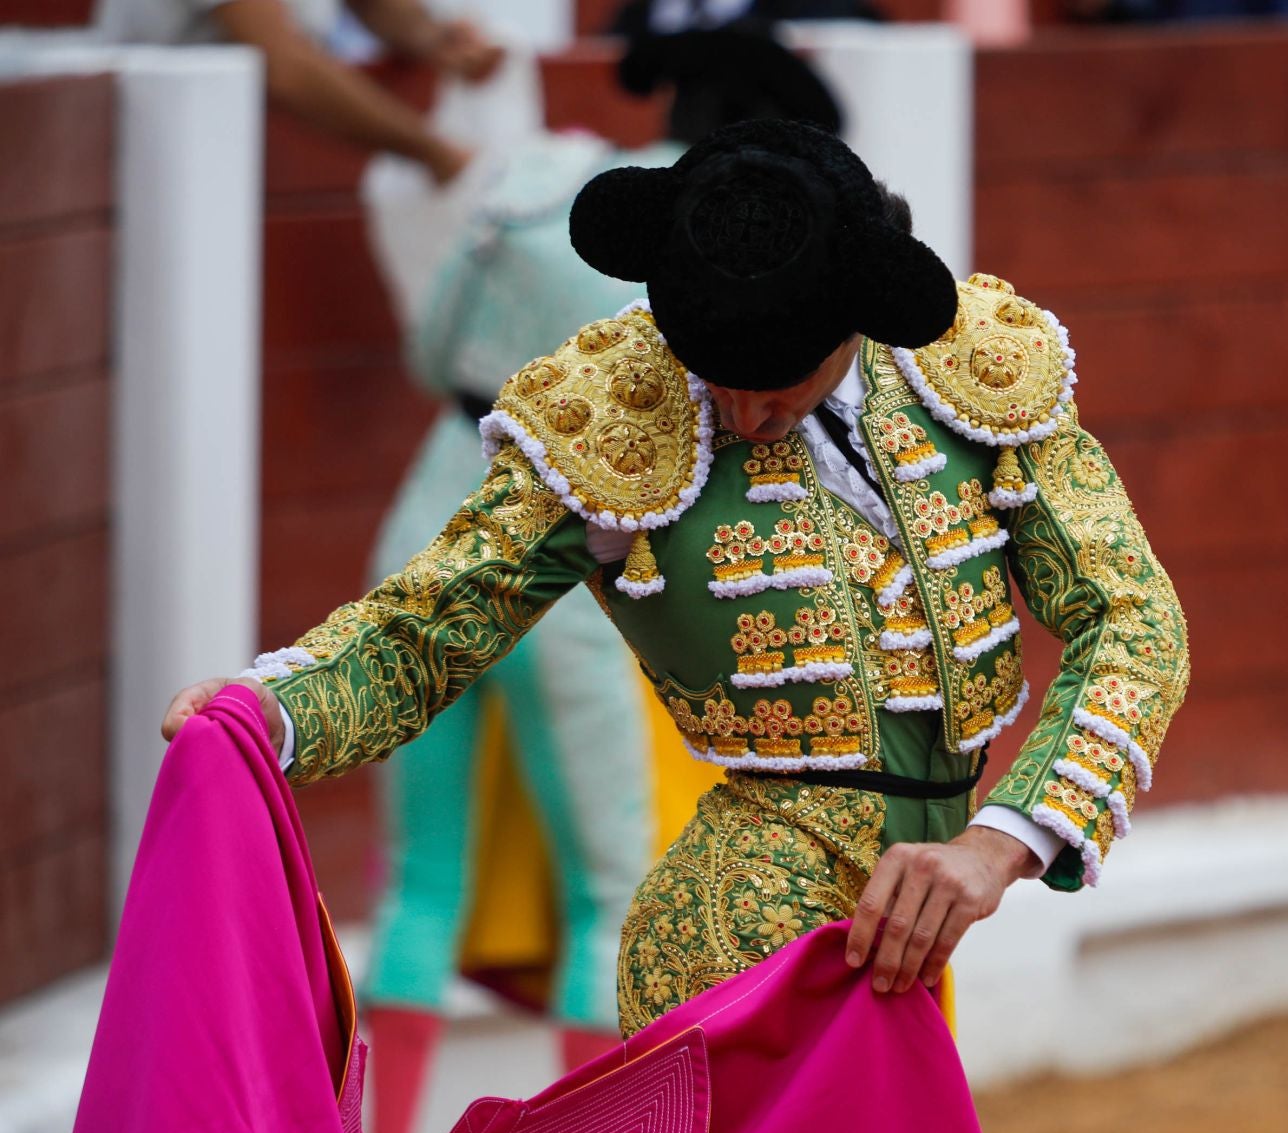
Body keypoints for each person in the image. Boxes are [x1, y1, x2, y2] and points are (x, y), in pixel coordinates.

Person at [164, 119, 1189, 1036]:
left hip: (918, 913)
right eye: (717, 374)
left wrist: (1001, 839)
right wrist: (269, 713)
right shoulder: (610, 406)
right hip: (744, 911)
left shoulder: (974, 370)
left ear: (855, 319)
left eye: (777, 381)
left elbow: (1132, 616)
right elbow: (426, 627)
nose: (743, 415)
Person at [346, 11, 849, 1133]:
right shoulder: (711, 268)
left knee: (420, 884)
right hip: (555, 581)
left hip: (422, 539)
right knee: (607, 892)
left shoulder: (536, 181)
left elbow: (432, 357)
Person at [94, 0, 501, 185]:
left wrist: (431, 35)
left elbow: (373, 6)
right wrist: (432, 151)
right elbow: (287, 70)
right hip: (155, 167)